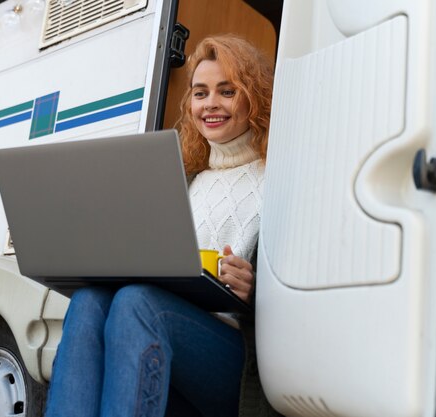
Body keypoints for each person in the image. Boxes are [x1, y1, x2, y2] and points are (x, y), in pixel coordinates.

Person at [44, 34, 274, 417]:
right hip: (162, 334)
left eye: (227, 91)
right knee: (89, 301)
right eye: (200, 93)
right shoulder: (185, 179)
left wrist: (255, 289)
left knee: (138, 303)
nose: (211, 104)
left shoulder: (276, 178)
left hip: (235, 356)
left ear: (254, 95)